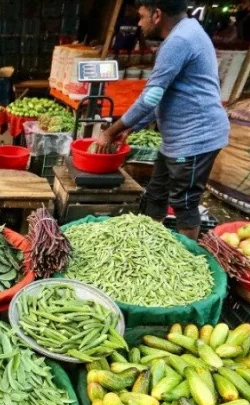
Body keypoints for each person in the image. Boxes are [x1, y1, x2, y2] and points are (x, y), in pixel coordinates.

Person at [94, 0, 229, 239]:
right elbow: (163, 95)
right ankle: (150, 244)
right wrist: (133, 125)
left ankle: (188, 260)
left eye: (141, 15)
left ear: (157, 15)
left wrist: (111, 131)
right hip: (178, 139)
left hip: (196, 137)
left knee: (184, 202)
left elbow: (152, 95)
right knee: (156, 194)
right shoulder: (189, 30)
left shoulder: (179, 41)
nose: (139, 23)